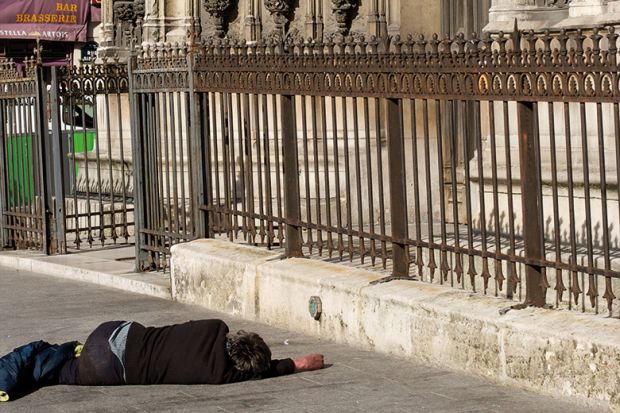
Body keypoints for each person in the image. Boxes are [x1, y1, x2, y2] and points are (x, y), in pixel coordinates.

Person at [0, 319, 325, 402]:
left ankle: (27, 364)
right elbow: (265, 372)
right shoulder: (221, 374)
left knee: (62, 351)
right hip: (111, 369)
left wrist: (304, 361)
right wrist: (295, 364)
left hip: (115, 334)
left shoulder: (215, 328)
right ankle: (13, 376)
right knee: (61, 371)